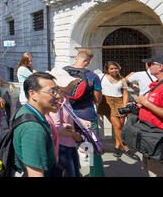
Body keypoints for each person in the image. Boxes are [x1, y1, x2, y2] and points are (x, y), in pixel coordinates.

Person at [64, 49, 104, 177]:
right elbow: (98, 99)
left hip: (66, 115)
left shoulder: (62, 71)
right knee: (92, 148)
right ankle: (95, 174)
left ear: (76, 57)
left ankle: (76, 173)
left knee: (70, 146)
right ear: (89, 61)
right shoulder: (92, 76)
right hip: (86, 115)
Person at [12, 72, 61, 177]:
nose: (58, 96)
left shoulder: (26, 110)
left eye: (57, 90)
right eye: (52, 92)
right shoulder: (33, 129)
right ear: (32, 94)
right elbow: (35, 174)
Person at [97, 61, 137, 159]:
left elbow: (125, 93)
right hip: (107, 103)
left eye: (116, 68)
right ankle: (126, 148)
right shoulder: (101, 76)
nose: (114, 70)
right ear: (107, 69)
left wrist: (124, 108)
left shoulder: (122, 79)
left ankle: (117, 148)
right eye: (111, 68)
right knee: (117, 125)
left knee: (120, 127)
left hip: (120, 102)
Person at [136, 55, 163, 177]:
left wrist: (145, 103)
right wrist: (142, 106)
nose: (148, 67)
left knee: (156, 172)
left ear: (160, 67)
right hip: (148, 136)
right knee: (148, 170)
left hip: (157, 137)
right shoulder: (156, 85)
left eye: (151, 64)